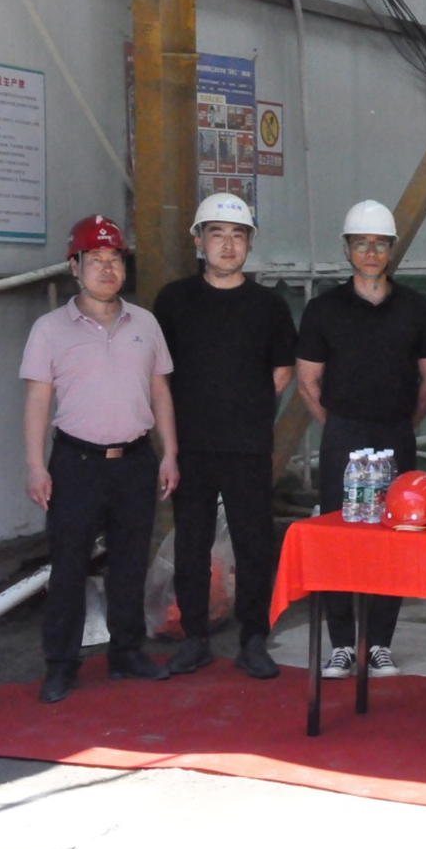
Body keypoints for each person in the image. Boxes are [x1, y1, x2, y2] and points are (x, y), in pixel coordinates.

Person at [21, 215, 179, 703]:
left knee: (129, 562)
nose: (107, 269)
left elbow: (160, 391)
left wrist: (170, 453)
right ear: (75, 267)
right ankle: (61, 664)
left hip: (135, 460)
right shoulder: (49, 330)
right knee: (68, 564)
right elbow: (37, 401)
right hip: (77, 463)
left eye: (115, 259)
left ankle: (127, 653)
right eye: (95, 260)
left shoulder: (145, 324)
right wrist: (35, 465)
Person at [296, 199, 426, 679]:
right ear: (347, 249)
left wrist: (402, 426)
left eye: (380, 244)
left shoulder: (417, 309)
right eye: (362, 243)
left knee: (394, 537)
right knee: (340, 537)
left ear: (391, 249)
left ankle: (379, 642)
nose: (371, 252)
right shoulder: (323, 310)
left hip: (396, 432)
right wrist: (340, 428)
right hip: (344, 434)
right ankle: (342, 643)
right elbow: (308, 383)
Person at [153, 194, 297, 680]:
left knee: (254, 543)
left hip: (247, 446)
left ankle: (254, 639)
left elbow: (281, 372)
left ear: (250, 243)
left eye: (238, 235)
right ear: (199, 241)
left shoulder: (269, 306)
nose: (228, 245)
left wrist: (242, 408)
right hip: (191, 446)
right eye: (217, 234)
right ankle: (195, 639)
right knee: (191, 545)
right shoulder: (174, 301)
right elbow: (160, 374)